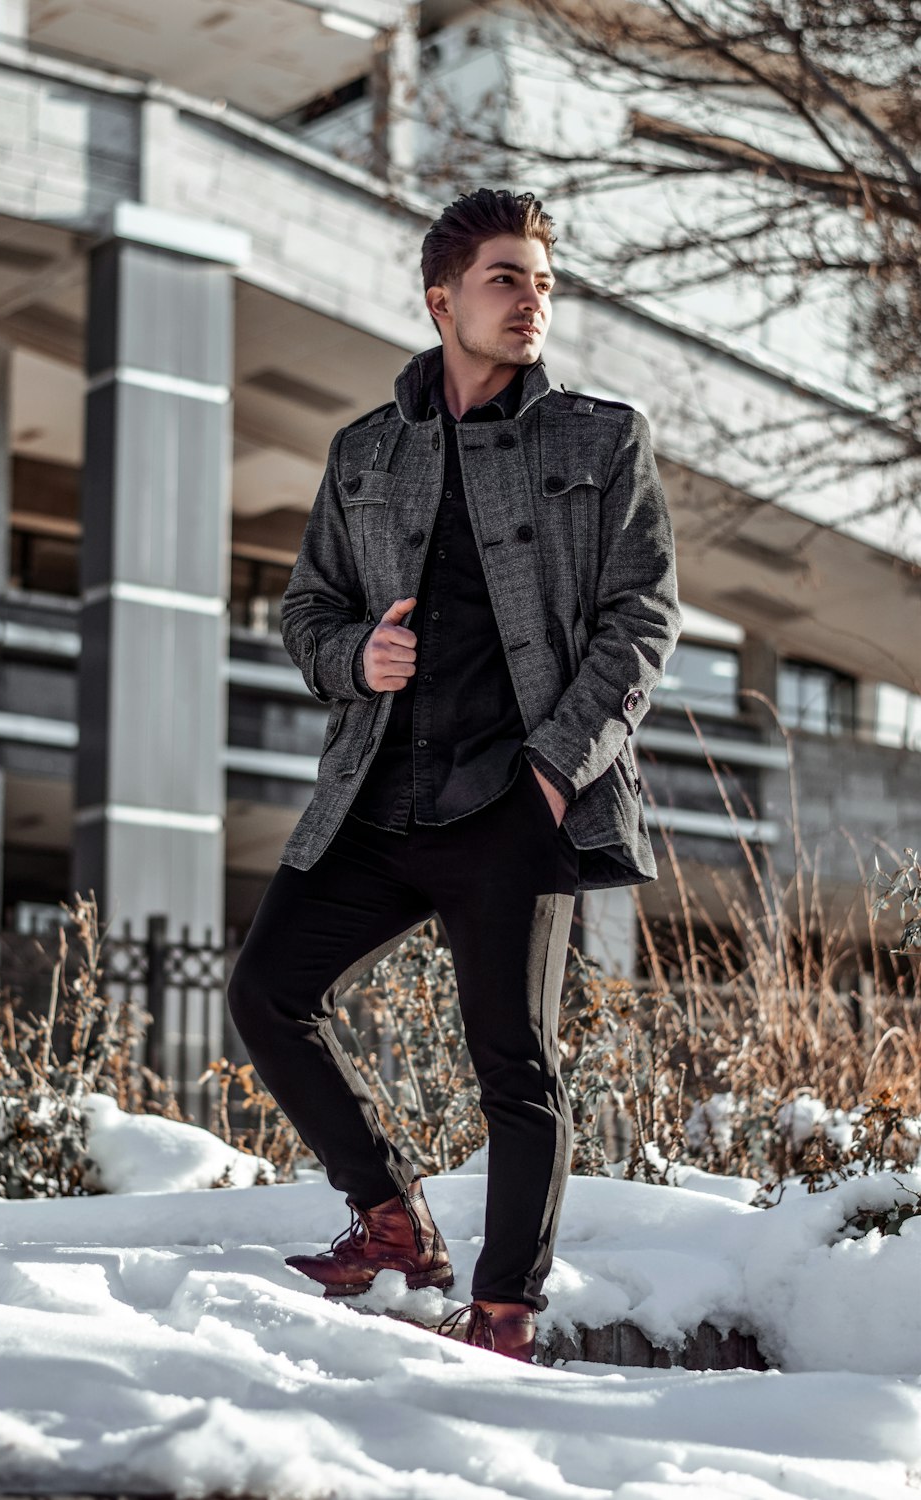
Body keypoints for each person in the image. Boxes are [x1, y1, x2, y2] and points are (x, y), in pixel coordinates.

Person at [227, 187, 681, 1362]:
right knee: (266, 992)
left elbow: (641, 620)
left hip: (512, 795)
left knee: (512, 1066)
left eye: (542, 280)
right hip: (380, 793)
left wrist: (553, 771)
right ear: (442, 300)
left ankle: (505, 1309)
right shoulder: (365, 452)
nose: (532, 300)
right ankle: (389, 1223)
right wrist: (353, 656)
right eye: (504, 279)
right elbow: (307, 608)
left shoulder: (599, 437)